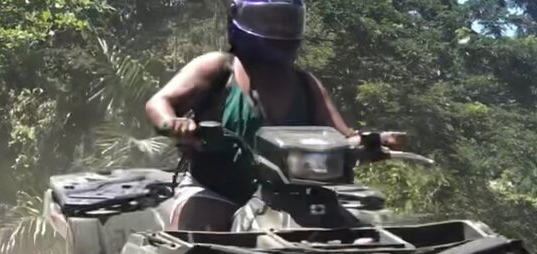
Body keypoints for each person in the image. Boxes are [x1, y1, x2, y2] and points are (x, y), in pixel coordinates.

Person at [146, 0, 396, 231]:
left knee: (354, 238)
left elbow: (344, 137)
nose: (278, 28)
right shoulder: (219, 68)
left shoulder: (306, 85)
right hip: (215, 189)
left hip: (289, 197)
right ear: (239, 18)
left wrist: (370, 143)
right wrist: (173, 124)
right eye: (269, 18)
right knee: (196, 243)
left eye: (285, 20)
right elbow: (159, 102)